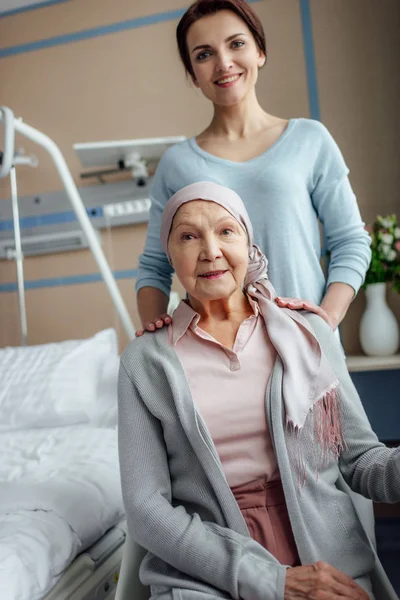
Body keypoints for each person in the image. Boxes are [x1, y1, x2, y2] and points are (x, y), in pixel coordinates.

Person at [118, 181, 399, 600]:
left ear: (249, 243)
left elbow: (362, 461)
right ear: (170, 256)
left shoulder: (308, 333)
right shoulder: (146, 360)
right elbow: (146, 510)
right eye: (189, 236)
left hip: (326, 561)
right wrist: (272, 582)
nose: (210, 250)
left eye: (226, 231)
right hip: (205, 571)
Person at [135, 0, 371, 336]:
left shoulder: (310, 139)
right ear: (192, 75)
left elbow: (351, 241)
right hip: (218, 359)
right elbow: (154, 267)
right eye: (204, 54)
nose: (224, 63)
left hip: (307, 345)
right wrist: (156, 345)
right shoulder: (177, 164)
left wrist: (325, 320)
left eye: (236, 44)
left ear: (260, 51)